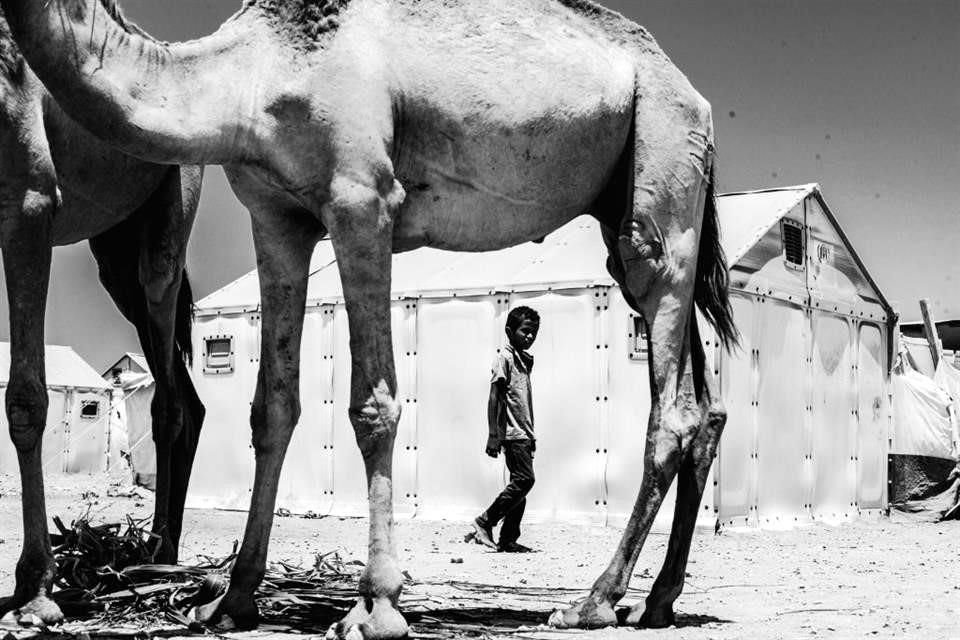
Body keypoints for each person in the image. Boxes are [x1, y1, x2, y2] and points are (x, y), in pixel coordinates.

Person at [472, 305, 540, 552]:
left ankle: (508, 538)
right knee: (525, 480)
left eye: (534, 332)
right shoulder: (505, 358)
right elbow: (495, 397)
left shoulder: (523, 360)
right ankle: (485, 521)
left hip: (524, 433)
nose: (530, 337)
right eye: (525, 331)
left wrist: (531, 434)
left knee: (519, 486)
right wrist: (493, 434)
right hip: (512, 434)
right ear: (510, 331)